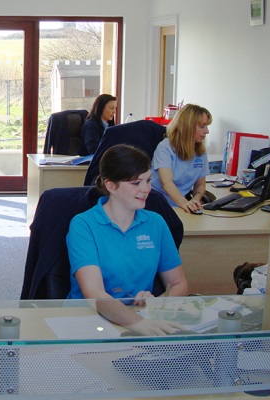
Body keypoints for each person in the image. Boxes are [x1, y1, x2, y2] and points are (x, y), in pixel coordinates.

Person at [66, 144, 189, 336]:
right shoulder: (83, 225)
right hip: (89, 319)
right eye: (135, 183)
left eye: (148, 181)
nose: (146, 189)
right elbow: (94, 293)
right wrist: (138, 323)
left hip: (139, 318)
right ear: (111, 186)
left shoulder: (156, 223)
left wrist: (157, 302)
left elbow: (179, 283)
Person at [150, 104, 211, 213]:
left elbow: (200, 184)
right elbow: (167, 183)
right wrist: (185, 203)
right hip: (158, 204)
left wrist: (195, 200)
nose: (207, 131)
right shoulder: (165, 148)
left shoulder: (200, 151)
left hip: (180, 205)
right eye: (202, 126)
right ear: (188, 127)